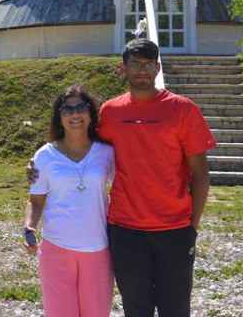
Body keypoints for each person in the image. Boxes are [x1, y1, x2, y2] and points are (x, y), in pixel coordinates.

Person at [29, 38, 215, 317]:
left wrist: (193, 225)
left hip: (174, 228)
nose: (142, 70)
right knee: (136, 309)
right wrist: (40, 161)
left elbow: (201, 174)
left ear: (158, 67)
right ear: (122, 69)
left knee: (175, 308)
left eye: (148, 64)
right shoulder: (111, 112)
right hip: (126, 231)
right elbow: (82, 145)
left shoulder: (183, 110)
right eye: (135, 64)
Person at [23, 84, 115, 317]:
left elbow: (126, 188)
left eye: (81, 107)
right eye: (67, 109)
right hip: (56, 249)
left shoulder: (107, 152)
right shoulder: (43, 155)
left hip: (98, 248)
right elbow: (35, 200)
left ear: (91, 113)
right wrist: (29, 226)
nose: (75, 114)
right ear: (59, 117)